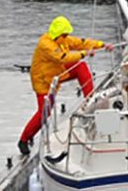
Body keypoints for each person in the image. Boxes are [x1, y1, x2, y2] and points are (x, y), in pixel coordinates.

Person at [19, 16, 112, 155]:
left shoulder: (62, 40)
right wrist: (84, 53)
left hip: (57, 72)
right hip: (43, 81)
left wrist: (101, 45)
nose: (67, 37)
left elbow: (81, 42)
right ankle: (24, 140)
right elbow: (63, 57)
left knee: (81, 67)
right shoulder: (46, 45)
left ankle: (90, 100)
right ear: (58, 34)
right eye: (65, 34)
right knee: (44, 113)